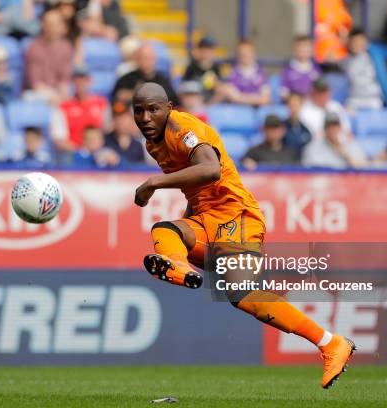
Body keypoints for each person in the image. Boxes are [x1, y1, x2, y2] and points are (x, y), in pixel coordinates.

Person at [131, 82, 354, 389]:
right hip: (207, 219)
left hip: (235, 216)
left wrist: (154, 183)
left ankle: (330, 343)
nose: (145, 117)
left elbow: (210, 170)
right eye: (138, 110)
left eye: (153, 109)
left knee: (244, 294)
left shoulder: (183, 127)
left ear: (168, 108)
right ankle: (179, 264)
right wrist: (189, 223)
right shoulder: (153, 144)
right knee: (166, 230)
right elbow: (195, 187)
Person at [24, 9, 73, 104]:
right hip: (38, 93)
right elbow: (36, 83)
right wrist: (53, 96)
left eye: (56, 24)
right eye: (50, 24)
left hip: (57, 91)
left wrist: (63, 93)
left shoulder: (66, 47)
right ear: (43, 26)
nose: (52, 27)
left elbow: (64, 79)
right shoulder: (34, 47)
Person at [112, 43, 178, 105]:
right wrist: (134, 94)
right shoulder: (127, 78)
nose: (148, 61)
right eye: (144, 58)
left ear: (155, 59)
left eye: (150, 58)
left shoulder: (163, 80)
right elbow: (118, 96)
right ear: (137, 59)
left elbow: (172, 100)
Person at [60, 65, 109, 148]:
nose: (80, 83)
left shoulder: (102, 103)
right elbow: (59, 139)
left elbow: (108, 129)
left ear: (90, 81)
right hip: (74, 154)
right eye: (77, 80)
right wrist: (80, 153)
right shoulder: (64, 107)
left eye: (84, 79)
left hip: (98, 152)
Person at [302, 112, 367, 169]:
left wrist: (346, 156)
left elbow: (364, 168)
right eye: (329, 127)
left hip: (346, 181)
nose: (332, 130)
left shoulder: (351, 145)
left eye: (335, 126)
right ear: (324, 129)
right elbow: (309, 171)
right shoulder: (313, 148)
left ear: (340, 128)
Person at [224, 39, 270, 106]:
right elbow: (233, 98)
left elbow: (265, 100)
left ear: (255, 54)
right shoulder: (233, 73)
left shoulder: (261, 73)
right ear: (238, 54)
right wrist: (256, 98)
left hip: (257, 110)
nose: (245, 55)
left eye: (248, 52)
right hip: (239, 111)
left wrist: (241, 97)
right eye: (242, 52)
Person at [182, 36, 224, 103]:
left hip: (210, 101)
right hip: (194, 100)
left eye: (209, 50)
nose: (206, 53)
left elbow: (219, 88)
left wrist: (216, 84)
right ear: (199, 50)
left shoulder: (215, 68)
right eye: (204, 49)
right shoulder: (192, 67)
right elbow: (184, 86)